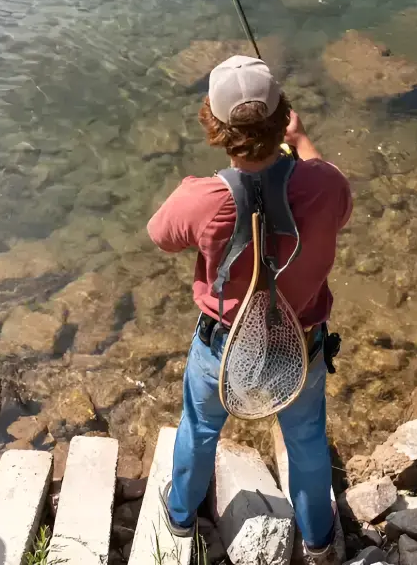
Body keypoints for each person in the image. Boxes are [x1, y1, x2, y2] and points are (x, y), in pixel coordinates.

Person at [147, 55, 353, 564]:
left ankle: (180, 518)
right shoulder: (325, 184)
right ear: (283, 116)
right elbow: (339, 201)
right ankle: (319, 539)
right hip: (301, 344)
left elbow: (160, 235)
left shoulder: (202, 198)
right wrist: (301, 142)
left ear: (214, 128)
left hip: (223, 346)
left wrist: (200, 196)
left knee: (200, 429)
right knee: (306, 440)